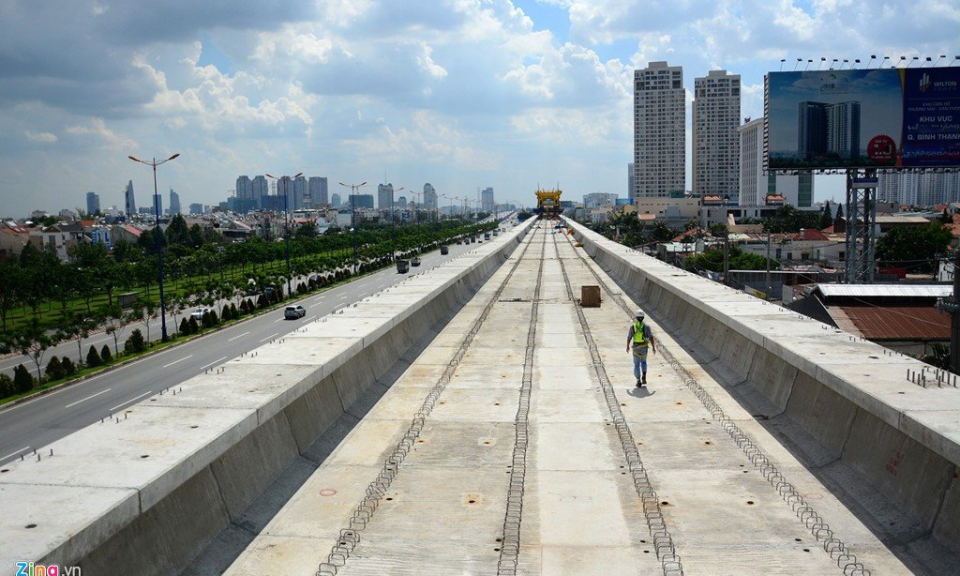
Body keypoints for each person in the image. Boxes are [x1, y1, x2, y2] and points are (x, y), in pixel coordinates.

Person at [626, 309, 656, 387]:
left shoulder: (633, 326)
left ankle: (638, 380)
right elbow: (651, 337)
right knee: (644, 362)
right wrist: (653, 347)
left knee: (636, 365)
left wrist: (627, 346)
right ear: (643, 317)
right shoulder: (646, 326)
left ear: (636, 317)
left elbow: (629, 337)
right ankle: (644, 376)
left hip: (636, 348)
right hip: (644, 348)